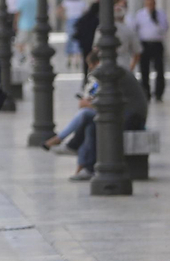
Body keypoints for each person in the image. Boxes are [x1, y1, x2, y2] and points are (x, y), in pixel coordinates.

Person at [62, 51, 149, 182]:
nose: (90, 69)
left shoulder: (111, 73)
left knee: (88, 116)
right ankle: (85, 165)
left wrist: (88, 103)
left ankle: (72, 146)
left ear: (98, 63)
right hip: (127, 115)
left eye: (91, 66)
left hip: (132, 118)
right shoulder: (115, 71)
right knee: (91, 124)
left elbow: (106, 103)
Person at [132, 0, 167, 101]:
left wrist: (156, 20)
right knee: (144, 69)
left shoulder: (160, 14)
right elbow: (135, 29)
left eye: (152, 4)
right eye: (148, 4)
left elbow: (165, 28)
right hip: (144, 44)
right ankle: (145, 92)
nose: (150, 6)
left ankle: (158, 93)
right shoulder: (140, 14)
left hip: (157, 43)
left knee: (159, 69)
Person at [113, 0, 142, 74]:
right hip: (123, 65)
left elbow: (137, 52)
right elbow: (137, 52)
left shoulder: (129, 28)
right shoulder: (128, 30)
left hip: (122, 63)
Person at [74, 0, 101, 78]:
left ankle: (86, 75)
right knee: (94, 60)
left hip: (84, 43)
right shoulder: (97, 20)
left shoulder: (84, 17)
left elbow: (77, 26)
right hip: (92, 43)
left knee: (86, 60)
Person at [61, 0, 85, 70]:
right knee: (78, 40)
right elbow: (85, 11)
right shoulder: (81, 2)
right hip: (79, 21)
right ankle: (77, 60)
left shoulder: (66, 2)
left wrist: (64, 17)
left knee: (70, 39)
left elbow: (59, 10)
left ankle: (69, 59)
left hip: (70, 21)